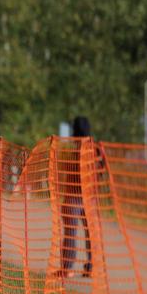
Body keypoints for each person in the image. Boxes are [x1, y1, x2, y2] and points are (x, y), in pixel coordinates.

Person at [62, 116, 96, 277]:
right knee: (91, 234)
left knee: (71, 233)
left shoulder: (74, 148)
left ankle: (67, 268)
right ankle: (91, 267)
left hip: (73, 195)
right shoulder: (94, 149)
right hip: (89, 196)